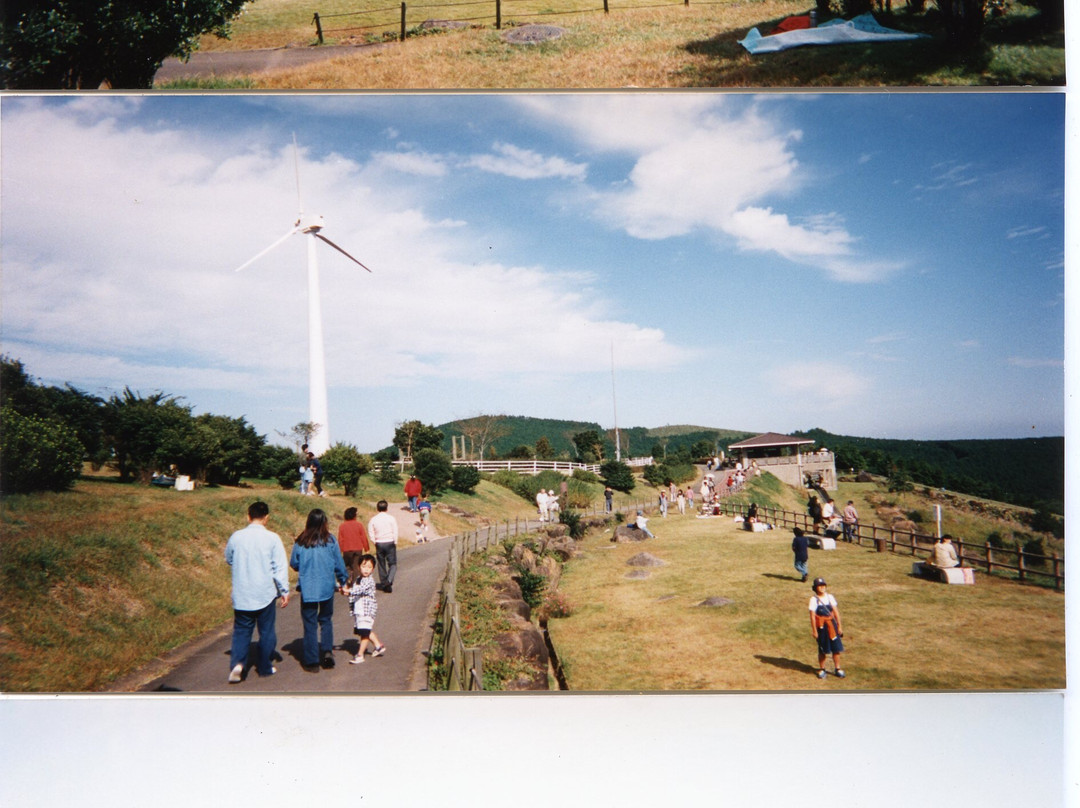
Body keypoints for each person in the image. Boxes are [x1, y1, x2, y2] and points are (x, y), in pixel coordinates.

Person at [225, 501, 291, 683]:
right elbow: (279, 567)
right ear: (266, 518)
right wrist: (284, 590)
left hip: (242, 592)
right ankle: (264, 666)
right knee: (266, 630)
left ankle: (238, 663)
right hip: (264, 592)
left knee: (241, 630)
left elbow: (229, 558)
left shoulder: (236, 537)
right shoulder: (272, 538)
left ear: (248, 516)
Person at [290, 508, 348, 672]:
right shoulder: (330, 541)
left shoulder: (301, 541)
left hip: (308, 589)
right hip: (326, 587)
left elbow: (294, 563)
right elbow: (338, 564)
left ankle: (311, 660)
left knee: (309, 624)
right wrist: (343, 580)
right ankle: (327, 651)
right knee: (326, 620)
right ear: (324, 523)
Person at [347, 554, 386, 664]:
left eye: (369, 567)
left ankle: (360, 654)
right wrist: (346, 591)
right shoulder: (359, 579)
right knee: (365, 630)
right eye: (364, 566)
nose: (366, 570)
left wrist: (349, 591)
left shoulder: (369, 581)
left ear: (373, 569)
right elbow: (354, 591)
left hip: (367, 610)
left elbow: (360, 590)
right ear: (359, 567)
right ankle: (378, 646)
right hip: (359, 610)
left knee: (364, 632)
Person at [809, 578, 845, 679]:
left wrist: (839, 626)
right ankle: (822, 669)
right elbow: (812, 616)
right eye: (820, 586)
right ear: (816, 588)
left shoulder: (830, 597)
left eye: (823, 585)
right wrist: (815, 631)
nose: (822, 587)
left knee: (836, 648)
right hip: (821, 627)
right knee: (822, 650)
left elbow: (836, 612)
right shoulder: (814, 599)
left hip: (832, 625)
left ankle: (838, 668)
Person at [368, 499, 399, 593]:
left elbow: (370, 531)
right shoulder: (391, 518)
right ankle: (389, 580)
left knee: (381, 564)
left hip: (379, 543)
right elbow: (395, 530)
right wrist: (395, 541)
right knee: (392, 564)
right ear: (387, 508)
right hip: (390, 542)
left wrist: (374, 541)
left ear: (377, 508)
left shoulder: (373, 519)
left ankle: (384, 582)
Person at [338, 507, 370, 586]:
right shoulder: (359, 525)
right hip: (357, 549)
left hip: (347, 549)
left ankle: (348, 579)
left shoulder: (342, 526)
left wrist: (339, 550)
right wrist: (367, 548)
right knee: (356, 566)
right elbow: (363, 537)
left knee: (347, 566)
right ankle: (356, 583)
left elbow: (340, 539)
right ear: (354, 516)